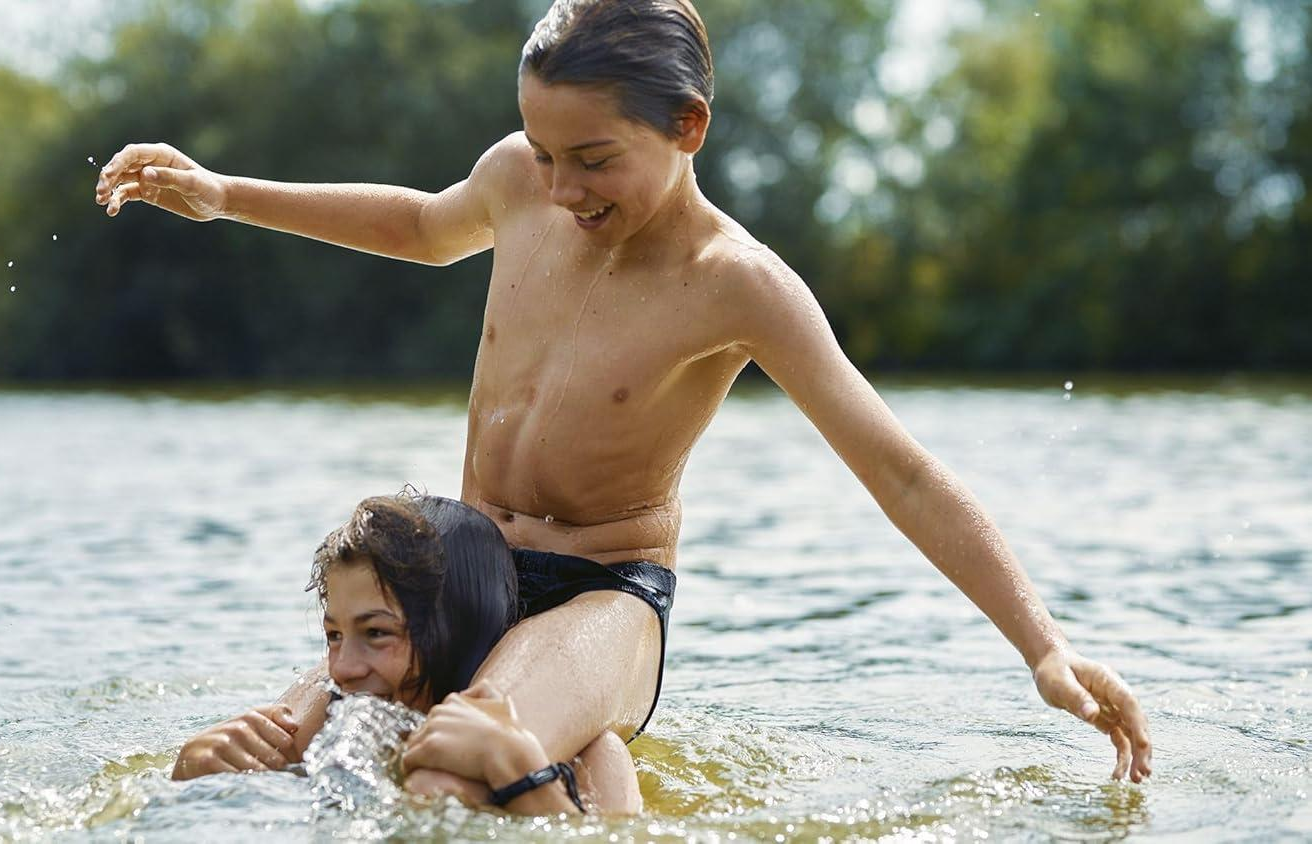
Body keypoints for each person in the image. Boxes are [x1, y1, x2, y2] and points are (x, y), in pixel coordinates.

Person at [100, 0, 1152, 787]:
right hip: (466, 570)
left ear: (688, 127)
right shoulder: (520, 180)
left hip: (600, 600)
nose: (560, 188)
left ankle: (571, 766)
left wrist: (1044, 647)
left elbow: (902, 470)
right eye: (547, 153)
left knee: (455, 762)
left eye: (593, 159)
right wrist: (227, 195)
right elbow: (421, 225)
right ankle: (589, 772)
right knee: (248, 758)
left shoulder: (737, 285)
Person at [172, 493, 642, 815]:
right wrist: (192, 774)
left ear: (461, 629)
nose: (343, 670)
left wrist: (523, 777)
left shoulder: (590, 760)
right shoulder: (324, 739)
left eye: (377, 633)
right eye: (334, 636)